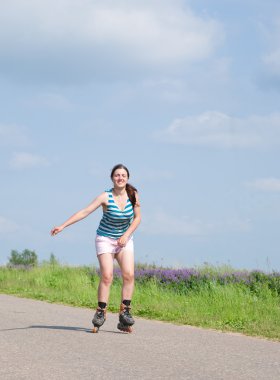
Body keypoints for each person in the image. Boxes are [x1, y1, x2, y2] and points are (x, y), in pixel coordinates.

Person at [50, 164, 141, 333]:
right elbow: (85, 211)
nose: (120, 178)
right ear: (112, 178)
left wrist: (126, 235)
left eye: (123, 175)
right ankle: (101, 312)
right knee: (107, 275)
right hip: (105, 239)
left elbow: (137, 218)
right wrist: (63, 225)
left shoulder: (132, 194)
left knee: (129, 274)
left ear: (127, 178)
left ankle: (124, 313)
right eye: (117, 175)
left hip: (124, 239)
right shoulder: (105, 196)